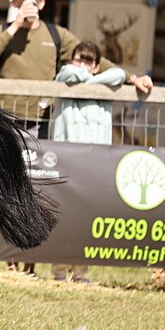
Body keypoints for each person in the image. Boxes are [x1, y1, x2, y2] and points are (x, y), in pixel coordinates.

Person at [0, 0, 153, 137]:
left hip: (39, 119)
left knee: (35, 163)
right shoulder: (1, 31)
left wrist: (132, 78)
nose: (30, 2)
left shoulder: (56, 34)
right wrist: (16, 25)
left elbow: (93, 59)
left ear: (42, 3)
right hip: (3, 116)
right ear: (14, 2)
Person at [50, 40, 126, 284]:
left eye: (88, 60)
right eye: (78, 58)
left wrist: (89, 80)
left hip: (94, 160)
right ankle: (59, 271)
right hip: (67, 157)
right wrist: (91, 77)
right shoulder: (67, 75)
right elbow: (68, 73)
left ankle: (80, 272)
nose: (82, 64)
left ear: (97, 65)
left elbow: (119, 74)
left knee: (86, 217)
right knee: (64, 216)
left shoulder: (104, 84)